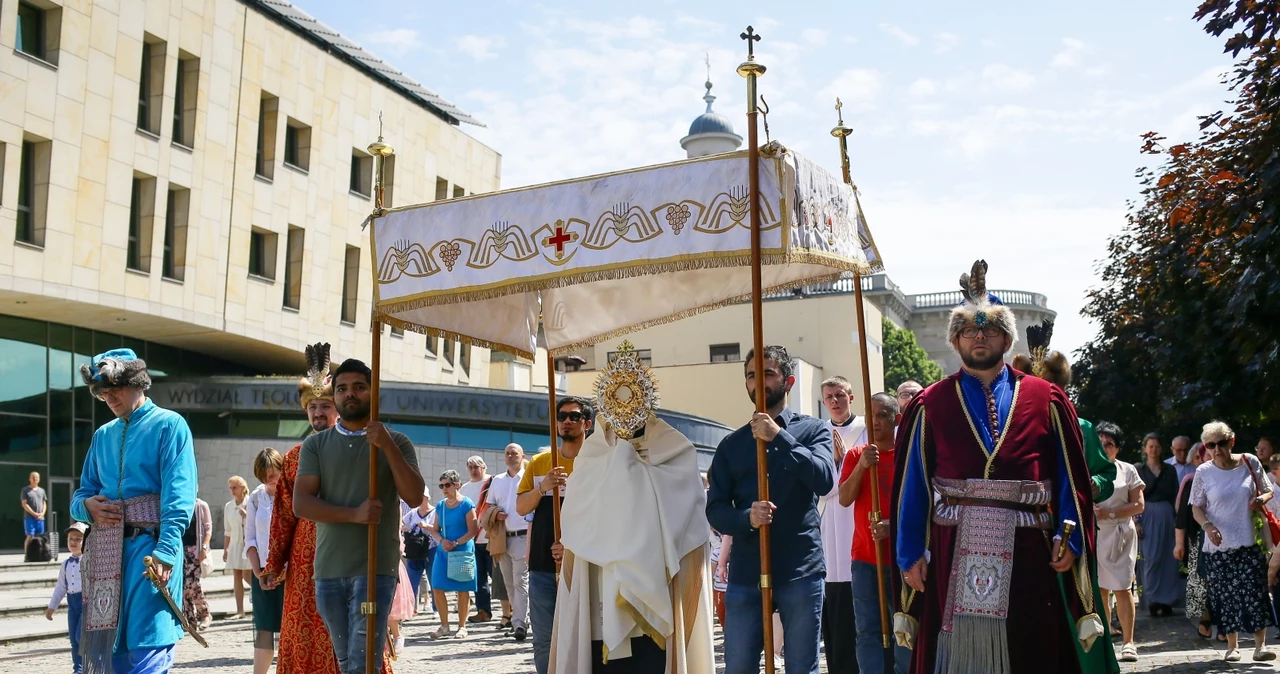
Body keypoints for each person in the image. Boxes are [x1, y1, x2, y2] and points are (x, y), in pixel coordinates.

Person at [891, 260, 1099, 674]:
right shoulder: (929, 404)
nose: (979, 336)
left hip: (1030, 551)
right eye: (969, 329)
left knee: (1031, 651)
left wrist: (1068, 535)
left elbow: (1069, 477)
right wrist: (910, 550)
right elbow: (911, 484)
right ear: (955, 340)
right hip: (951, 550)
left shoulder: (1047, 399)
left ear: (1007, 338)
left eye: (989, 329)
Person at [549, 346, 715, 674]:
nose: (626, 411)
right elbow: (576, 518)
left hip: (660, 594)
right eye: (618, 401)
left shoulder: (676, 452)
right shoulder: (591, 458)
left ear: (646, 401)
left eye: (633, 400)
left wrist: (630, 475)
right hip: (599, 593)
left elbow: (692, 526)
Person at [706, 345, 835, 674]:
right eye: (751, 375)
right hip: (748, 572)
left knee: (801, 667)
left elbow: (823, 480)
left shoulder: (813, 430)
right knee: (738, 666)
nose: (757, 381)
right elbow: (715, 509)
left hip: (800, 569)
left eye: (767, 373)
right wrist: (746, 517)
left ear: (788, 381)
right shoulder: (731, 446)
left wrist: (779, 437)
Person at [266, 343, 393, 674]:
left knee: (360, 634)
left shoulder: (366, 445)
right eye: (312, 408)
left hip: (354, 548)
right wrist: (274, 561)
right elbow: (283, 514)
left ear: (338, 406)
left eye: (325, 406)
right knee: (309, 631)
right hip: (307, 561)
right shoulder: (295, 456)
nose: (318, 413)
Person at [294, 358, 425, 674]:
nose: (349, 394)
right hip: (329, 571)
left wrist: (386, 446)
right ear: (335, 395)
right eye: (342, 389)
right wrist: (354, 514)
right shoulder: (316, 445)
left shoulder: (397, 441)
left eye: (359, 387)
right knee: (345, 659)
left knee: (363, 659)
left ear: (373, 393)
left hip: (374, 572)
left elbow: (414, 495)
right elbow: (302, 504)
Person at [71, 348, 198, 673]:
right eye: (102, 392)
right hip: (105, 558)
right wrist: (86, 507)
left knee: (148, 653)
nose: (109, 397)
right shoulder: (102, 436)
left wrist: (167, 552)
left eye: (115, 388)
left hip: (150, 552)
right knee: (112, 659)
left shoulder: (170, 425)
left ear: (138, 383)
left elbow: (179, 498)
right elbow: (81, 494)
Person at [1190, 420, 1276, 663]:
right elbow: (1196, 507)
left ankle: (1260, 646)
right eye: (1211, 445)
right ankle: (1232, 646)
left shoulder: (1249, 461)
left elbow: (1267, 489)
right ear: (1206, 447)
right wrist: (1208, 526)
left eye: (1222, 443)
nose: (1217, 449)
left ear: (1232, 441)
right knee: (1226, 597)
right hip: (1218, 546)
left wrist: (1261, 499)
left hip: (1250, 540)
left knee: (1255, 593)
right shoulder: (1203, 472)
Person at [518, 397, 593, 674]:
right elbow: (521, 506)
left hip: (585, 566)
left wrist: (573, 548)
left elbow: (603, 518)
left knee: (584, 637)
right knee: (544, 641)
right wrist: (543, 487)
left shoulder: (596, 463)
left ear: (587, 423)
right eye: (561, 417)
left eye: (574, 416)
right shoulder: (540, 462)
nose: (566, 422)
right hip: (542, 567)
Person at [839, 392, 910, 674]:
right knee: (867, 630)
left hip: (902, 559)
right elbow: (844, 498)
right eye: (872, 415)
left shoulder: (908, 457)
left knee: (904, 629)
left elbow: (922, 506)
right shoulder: (857, 454)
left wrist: (892, 526)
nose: (876, 421)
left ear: (897, 419)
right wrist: (861, 466)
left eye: (883, 415)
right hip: (865, 560)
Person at [818, 376, 862, 674]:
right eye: (829, 397)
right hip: (827, 526)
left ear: (851, 397)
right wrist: (836, 465)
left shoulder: (866, 431)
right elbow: (820, 487)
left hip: (856, 520)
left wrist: (845, 461)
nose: (835, 401)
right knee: (834, 607)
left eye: (840, 395)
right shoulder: (818, 434)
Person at [1092, 422, 1144, 662]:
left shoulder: (1128, 470)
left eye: (1109, 444)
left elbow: (1139, 505)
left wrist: (1111, 514)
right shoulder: (1087, 468)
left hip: (1121, 533)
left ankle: (1128, 642)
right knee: (1100, 589)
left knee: (1123, 587)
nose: (1105, 448)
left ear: (1118, 447)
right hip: (1096, 533)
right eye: (1100, 444)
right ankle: (1104, 640)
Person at [426, 469, 480, 640]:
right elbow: (435, 530)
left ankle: (462, 627)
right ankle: (444, 626)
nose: (444, 489)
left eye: (447, 485)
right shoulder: (441, 505)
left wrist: (456, 542)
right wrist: (442, 541)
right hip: (444, 551)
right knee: (437, 586)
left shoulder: (466, 504)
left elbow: (473, 530)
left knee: (462, 588)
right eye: (441, 485)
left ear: (457, 485)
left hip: (462, 549)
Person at [246, 448, 285, 674]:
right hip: (263, 571)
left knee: (291, 629)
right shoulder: (256, 497)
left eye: (274, 473)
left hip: (292, 571)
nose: (270, 479)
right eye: (265, 475)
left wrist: (285, 570)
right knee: (264, 629)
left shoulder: (293, 493)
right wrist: (259, 572)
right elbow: (250, 538)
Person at [486, 443, 530, 640]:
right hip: (503, 537)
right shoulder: (497, 480)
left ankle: (520, 623)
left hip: (523, 535)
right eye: (507, 453)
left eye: (514, 453)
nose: (510, 456)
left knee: (520, 581)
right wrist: (495, 513)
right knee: (509, 583)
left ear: (522, 456)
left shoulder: (529, 477)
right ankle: (517, 621)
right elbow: (489, 506)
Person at [1136, 433, 1183, 616]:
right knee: (1150, 558)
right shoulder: (1138, 469)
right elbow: (1133, 496)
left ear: (1162, 448)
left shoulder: (1169, 470)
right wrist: (1137, 521)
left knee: (1169, 558)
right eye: (1150, 446)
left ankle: (1167, 600)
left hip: (1167, 514)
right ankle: (1151, 599)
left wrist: (1177, 522)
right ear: (1145, 449)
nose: (1154, 450)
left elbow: (1175, 496)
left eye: (1157, 446)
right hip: (1146, 514)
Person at [1174, 443, 1216, 643]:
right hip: (1197, 536)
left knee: (1221, 581)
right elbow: (1182, 515)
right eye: (1206, 455)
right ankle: (1205, 619)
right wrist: (1179, 543)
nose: (1210, 458)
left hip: (1225, 536)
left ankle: (1224, 625)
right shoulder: (1192, 480)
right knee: (1201, 581)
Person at [46, 521, 88, 674]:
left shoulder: (89, 560)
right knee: (73, 640)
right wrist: (52, 606)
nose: (73, 542)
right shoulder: (65, 564)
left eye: (78, 539)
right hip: (73, 605)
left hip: (86, 603)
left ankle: (90, 665)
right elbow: (61, 587)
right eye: (71, 538)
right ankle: (78, 669)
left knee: (80, 637)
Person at [459, 456, 494, 624]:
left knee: (499, 576)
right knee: (478, 578)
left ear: (484, 467)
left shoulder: (493, 483)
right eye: (471, 467)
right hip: (473, 540)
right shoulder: (464, 489)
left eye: (477, 466)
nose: (474, 470)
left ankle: (510, 611)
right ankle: (483, 610)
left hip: (491, 538)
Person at [402, 496, 438, 616]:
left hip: (431, 549)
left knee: (434, 579)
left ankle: (437, 608)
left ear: (428, 498)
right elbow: (403, 523)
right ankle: (411, 609)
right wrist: (406, 528)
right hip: (414, 551)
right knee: (412, 581)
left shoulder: (435, 511)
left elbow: (439, 529)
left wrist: (426, 526)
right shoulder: (413, 513)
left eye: (423, 497)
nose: (421, 499)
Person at [181, 497, 212, 630]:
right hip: (181, 550)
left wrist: (204, 548)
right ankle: (189, 618)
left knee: (193, 584)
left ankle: (204, 613)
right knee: (183, 585)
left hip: (196, 549)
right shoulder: (180, 504)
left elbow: (208, 529)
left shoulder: (201, 505)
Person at [224, 475, 252, 618]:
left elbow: (258, 522)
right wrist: (225, 549)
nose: (232, 490)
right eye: (230, 488)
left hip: (249, 544)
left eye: (234, 487)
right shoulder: (229, 506)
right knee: (237, 575)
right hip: (235, 544)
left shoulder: (251, 502)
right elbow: (227, 530)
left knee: (248, 574)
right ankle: (240, 610)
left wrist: (246, 515)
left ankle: (262, 593)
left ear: (242, 488)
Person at [21, 471, 47, 549]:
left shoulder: (42, 491)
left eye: (37, 477)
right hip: (30, 517)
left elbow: (44, 503)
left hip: (40, 518)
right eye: (33, 477)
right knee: (30, 535)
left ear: (39, 479)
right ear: (30, 479)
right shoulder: (25, 490)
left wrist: (42, 513)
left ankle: (41, 555)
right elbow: (24, 504)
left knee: (41, 537)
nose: (35, 478)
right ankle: (27, 555)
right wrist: (34, 514)